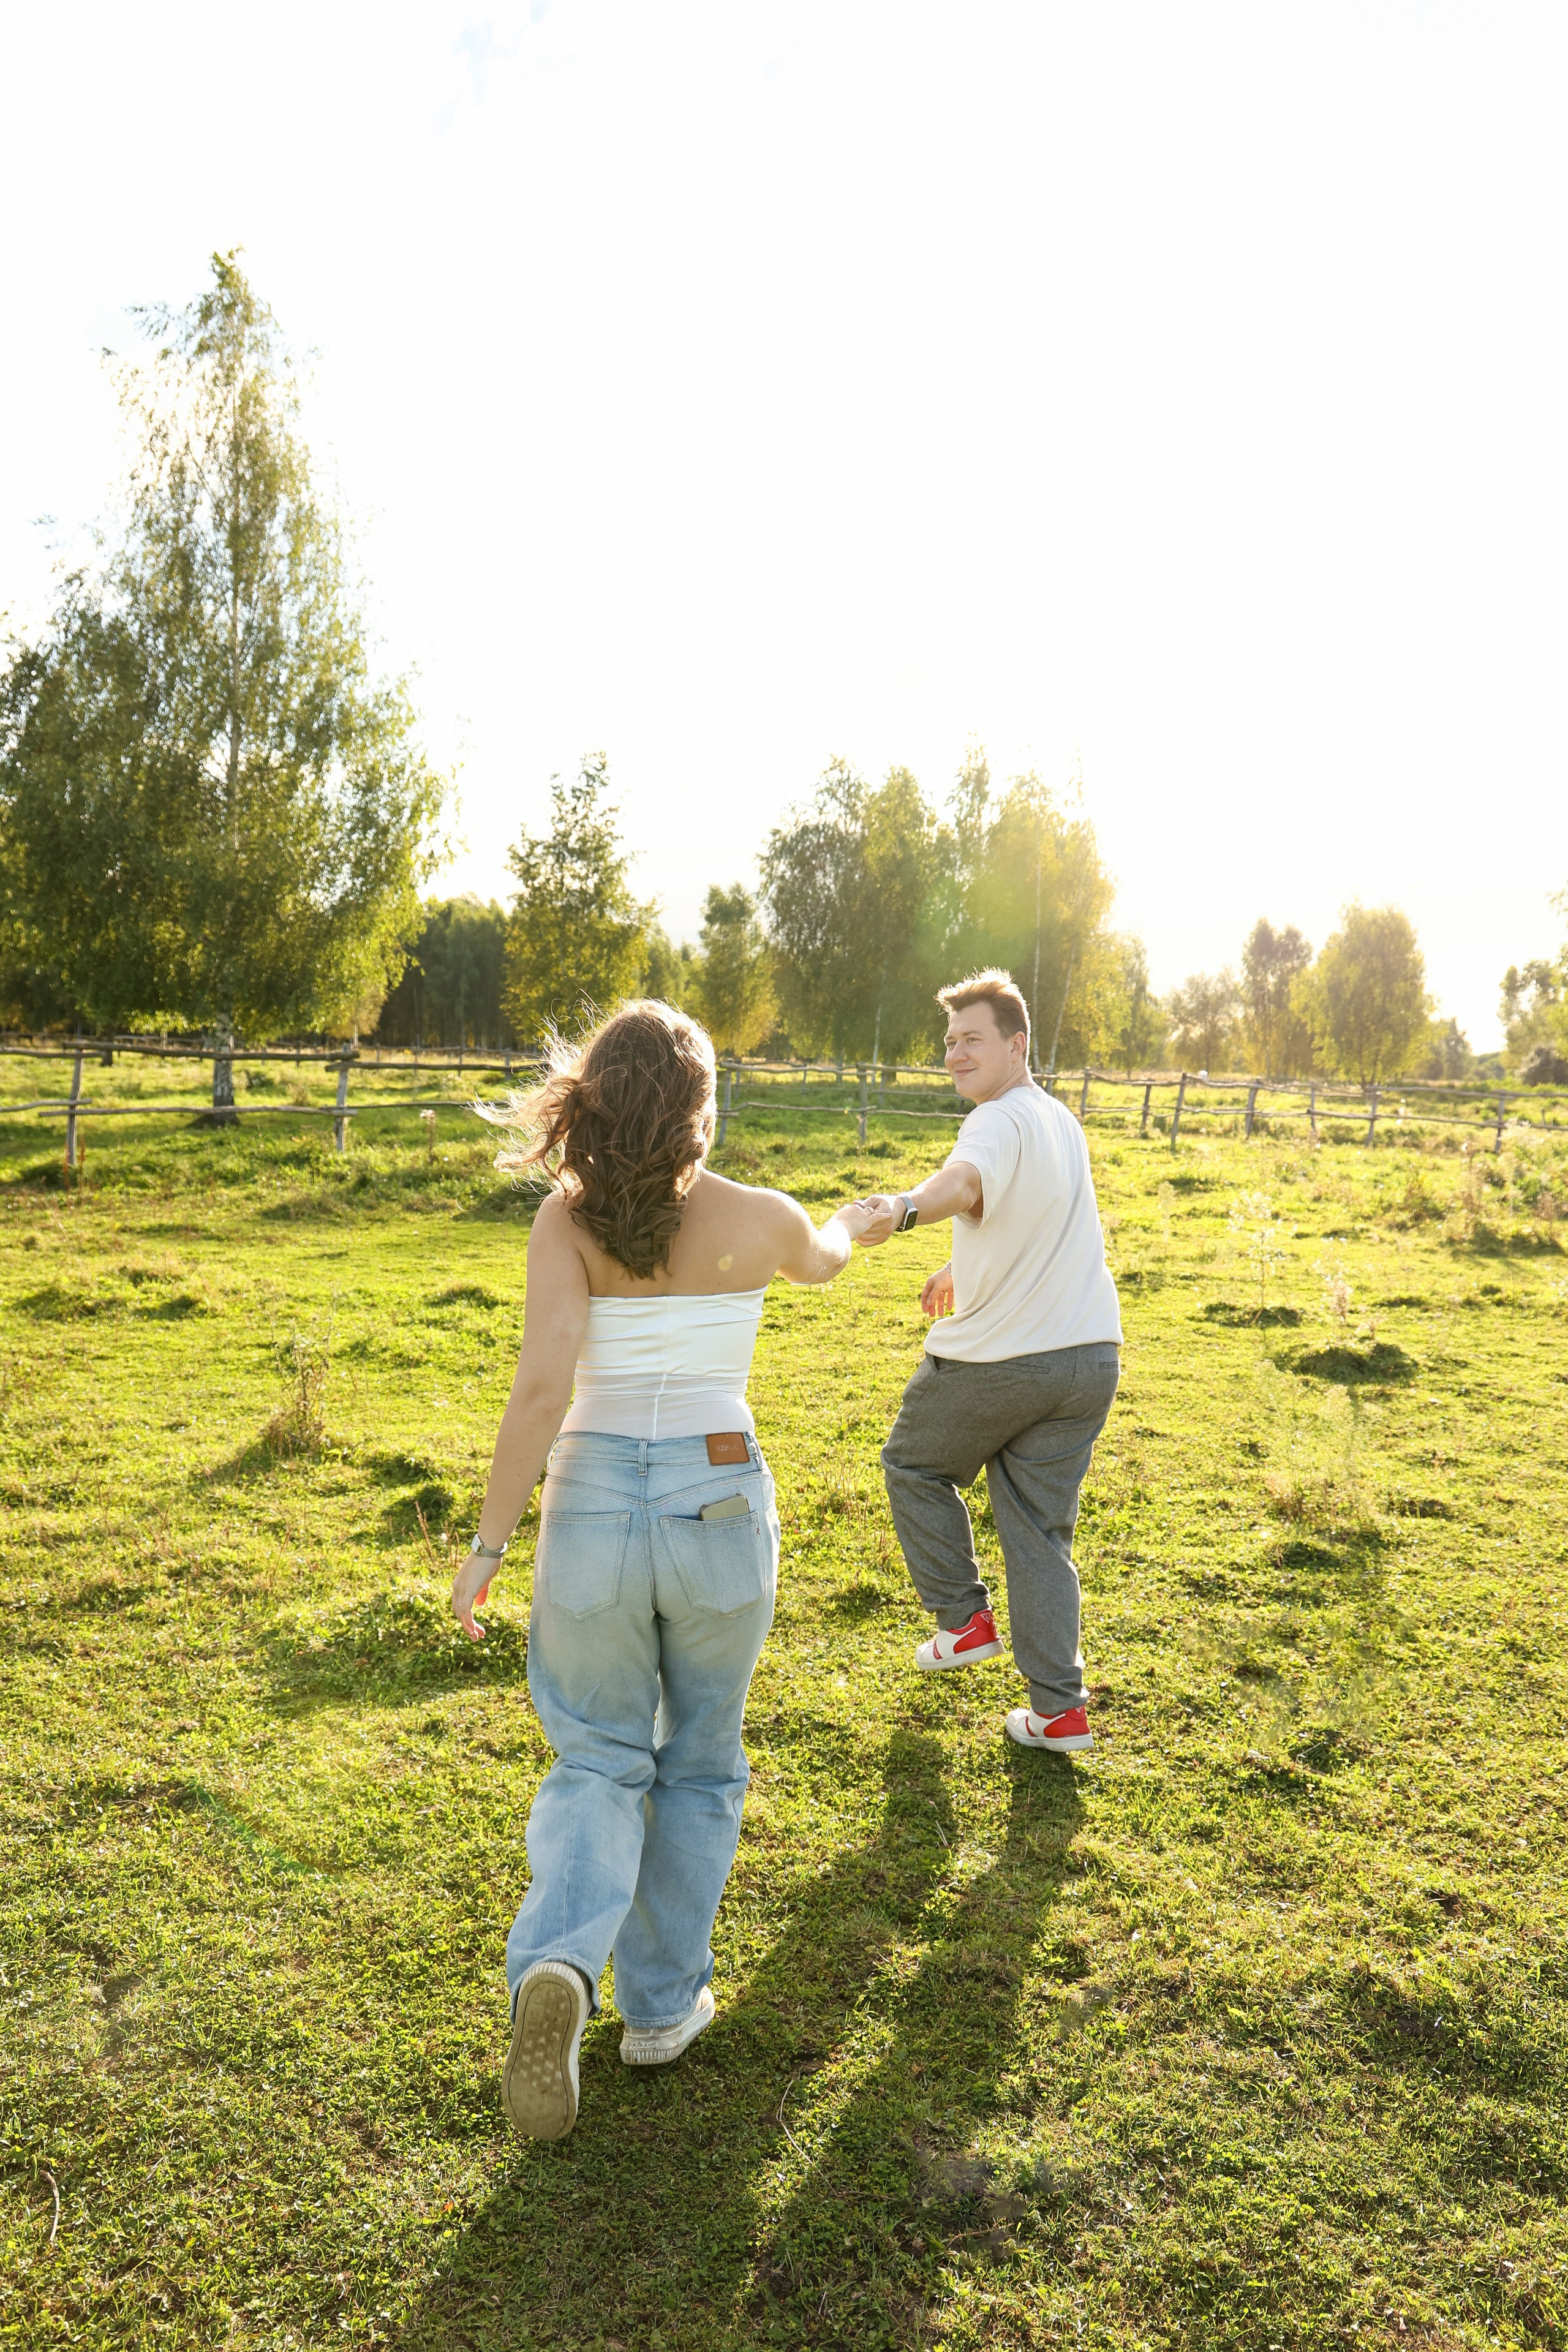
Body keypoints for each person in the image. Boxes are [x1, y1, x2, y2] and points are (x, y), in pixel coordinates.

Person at [449, 1001, 872, 2142]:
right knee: (699, 1757)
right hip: (720, 1494)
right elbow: (830, 1257)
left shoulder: (566, 1221)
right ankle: (662, 2007)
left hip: (590, 1498)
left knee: (595, 1756)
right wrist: (860, 1220)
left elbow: (541, 1389)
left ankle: (560, 1967)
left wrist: (488, 1549)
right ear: (695, 1105)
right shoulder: (759, 1219)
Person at [849, 969, 1122, 1752]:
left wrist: (901, 1210)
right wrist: (960, 1269)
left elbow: (961, 1183)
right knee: (1039, 1534)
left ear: (1016, 1044)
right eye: (948, 1042)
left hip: (1006, 1362)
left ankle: (963, 1620)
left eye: (970, 1040)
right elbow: (1023, 1216)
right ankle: (1058, 1711)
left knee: (913, 1467)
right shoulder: (1058, 1121)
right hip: (1089, 1361)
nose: (954, 1055)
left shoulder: (994, 1123)